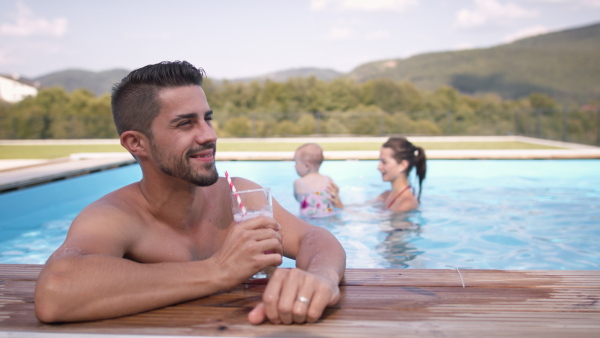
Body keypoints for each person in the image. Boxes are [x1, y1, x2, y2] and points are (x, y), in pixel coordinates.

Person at [33, 61, 346, 325]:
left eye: (207, 118)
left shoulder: (239, 194)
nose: (209, 135)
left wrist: (321, 276)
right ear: (136, 143)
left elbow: (314, 238)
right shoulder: (116, 216)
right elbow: (57, 289)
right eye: (185, 124)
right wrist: (217, 271)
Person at [376, 137, 426, 213]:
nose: (379, 167)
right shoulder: (385, 195)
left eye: (384, 162)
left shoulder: (407, 203)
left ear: (402, 165)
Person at [293, 143, 343, 218]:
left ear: (307, 166)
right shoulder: (328, 179)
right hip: (329, 216)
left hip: (309, 220)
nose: (295, 166)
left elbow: (297, 199)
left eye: (296, 163)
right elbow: (335, 199)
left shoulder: (298, 183)